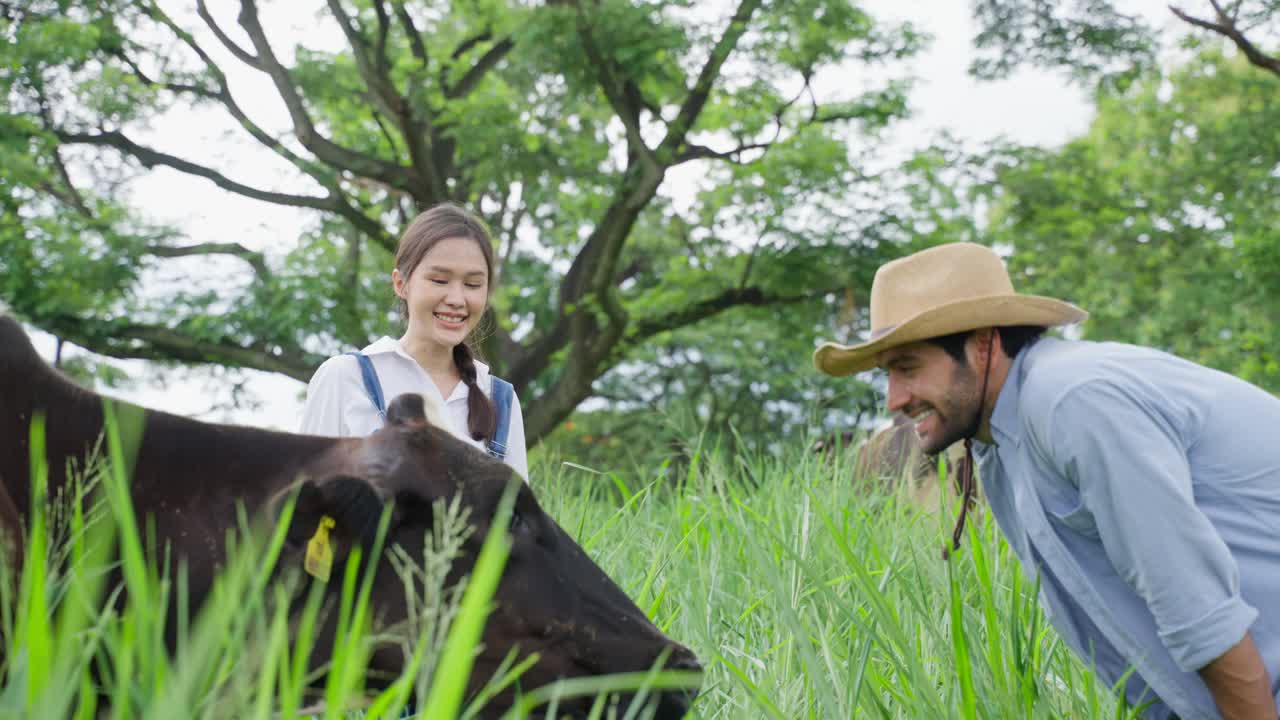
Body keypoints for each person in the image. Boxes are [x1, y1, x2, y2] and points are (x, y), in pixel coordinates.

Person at [813, 242, 1280, 719]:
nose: (894, 399)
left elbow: (1199, 611)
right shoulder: (999, 449)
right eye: (886, 374)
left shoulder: (1071, 400)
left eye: (908, 367)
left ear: (981, 343)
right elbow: (1131, 640)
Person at [301, 202, 528, 481]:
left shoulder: (500, 400)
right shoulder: (345, 377)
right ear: (401, 283)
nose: (457, 299)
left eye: (472, 285)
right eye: (439, 280)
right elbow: (303, 501)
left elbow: (516, 520)